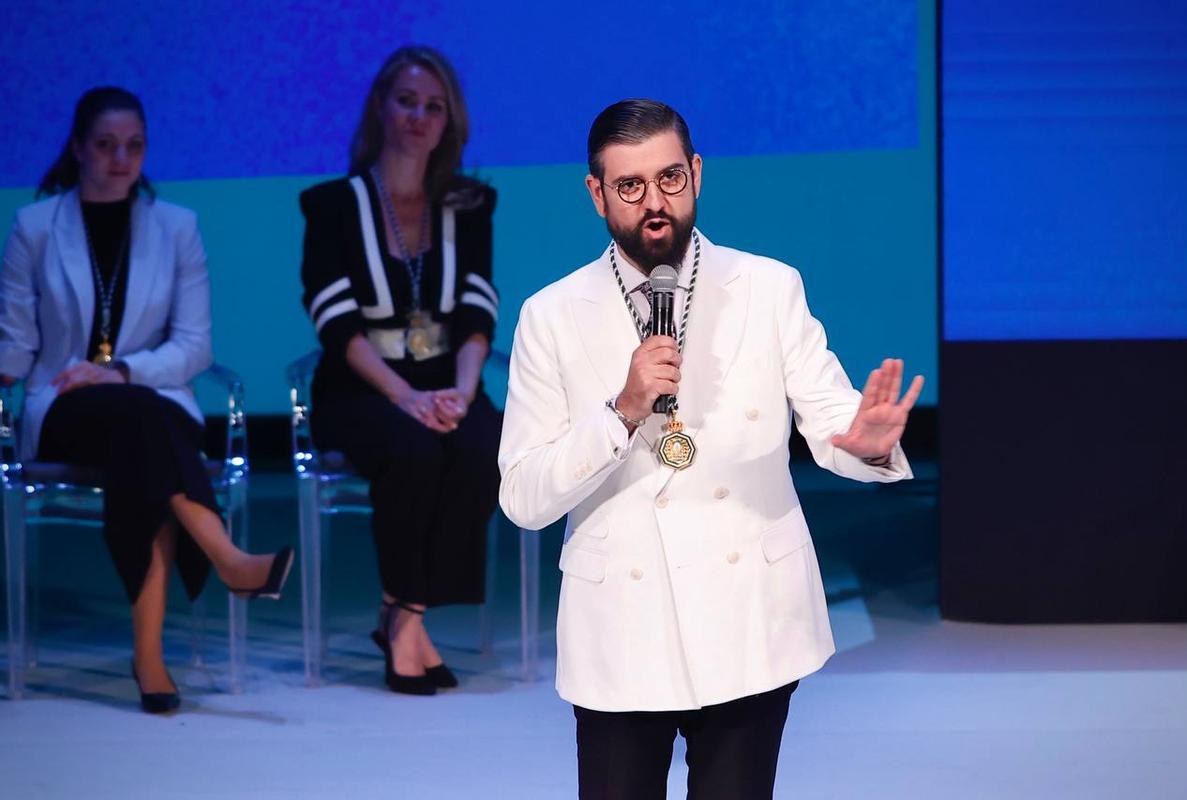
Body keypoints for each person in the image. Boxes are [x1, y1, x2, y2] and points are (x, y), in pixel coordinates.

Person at [498, 99, 924, 798]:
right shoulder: (551, 316)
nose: (655, 203)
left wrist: (866, 445)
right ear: (596, 193)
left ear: (696, 172)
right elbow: (522, 497)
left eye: (670, 178)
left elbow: (831, 416)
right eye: (630, 186)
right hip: (622, 630)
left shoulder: (767, 287)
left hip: (748, 614)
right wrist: (622, 412)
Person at [0, 87, 293, 714]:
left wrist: (123, 370)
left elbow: (194, 345)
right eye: (105, 146)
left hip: (148, 400)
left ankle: (152, 657)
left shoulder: (175, 227)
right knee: (150, 426)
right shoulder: (36, 228)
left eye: (134, 146)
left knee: (144, 435)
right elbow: (18, 346)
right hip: (64, 407)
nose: (120, 159)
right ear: (78, 148)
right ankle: (228, 559)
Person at [299, 46, 502, 695]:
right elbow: (333, 322)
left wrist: (464, 392)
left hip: (448, 376)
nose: (419, 116)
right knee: (414, 449)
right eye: (407, 101)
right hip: (362, 385)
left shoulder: (469, 204)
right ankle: (408, 620)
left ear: (450, 122)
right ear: (380, 108)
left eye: (433, 106)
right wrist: (405, 398)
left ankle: (404, 615)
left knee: (481, 445)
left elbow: (476, 307)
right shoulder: (332, 205)